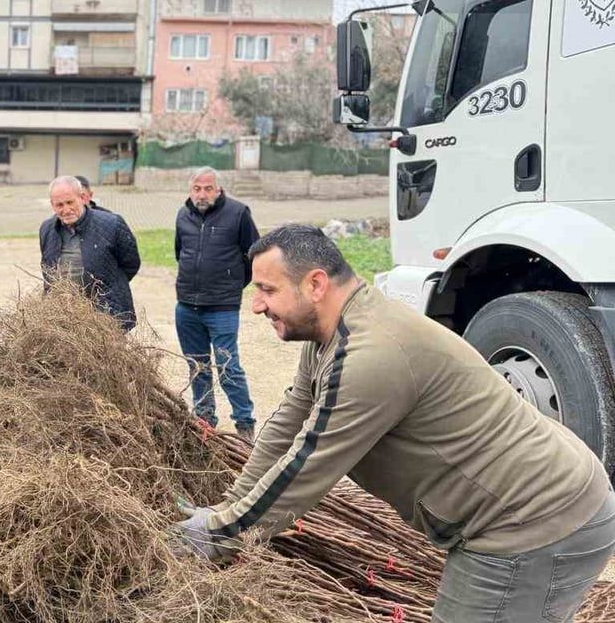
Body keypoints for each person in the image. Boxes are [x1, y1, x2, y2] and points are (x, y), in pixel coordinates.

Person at [172, 225, 615, 622]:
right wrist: (226, 506)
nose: (255, 305)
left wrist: (222, 534)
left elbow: (305, 468)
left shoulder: (370, 355)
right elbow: (287, 425)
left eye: (268, 290)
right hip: (534, 508)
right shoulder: (332, 335)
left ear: (316, 284)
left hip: (536, 522)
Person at [173, 166, 261, 441]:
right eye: (197, 188)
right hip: (187, 305)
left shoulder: (238, 213)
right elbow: (180, 253)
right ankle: (204, 420)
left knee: (228, 367)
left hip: (222, 306)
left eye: (208, 188)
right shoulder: (182, 215)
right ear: (191, 190)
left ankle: (245, 424)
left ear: (218, 189)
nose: (202, 194)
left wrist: (231, 285)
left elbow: (254, 256)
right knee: (197, 365)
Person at [39, 176, 141, 330]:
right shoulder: (47, 229)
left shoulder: (111, 224)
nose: (66, 210)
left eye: (70, 202)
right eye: (59, 205)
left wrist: (109, 286)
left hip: (106, 319)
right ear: (52, 205)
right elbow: (48, 270)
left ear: (82, 198)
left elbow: (131, 264)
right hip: (64, 319)